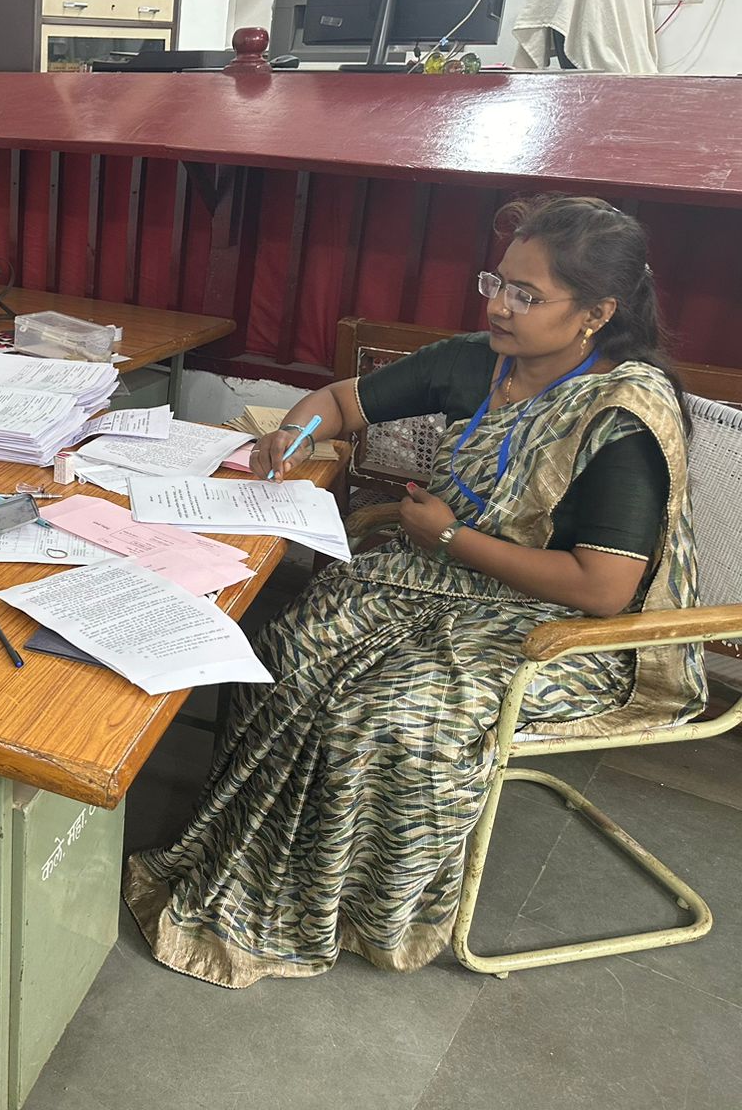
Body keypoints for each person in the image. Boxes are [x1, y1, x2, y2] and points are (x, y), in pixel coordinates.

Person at [125, 194, 707, 987]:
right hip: (430, 574)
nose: (498, 305)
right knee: (291, 646)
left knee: (385, 714)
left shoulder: (620, 415)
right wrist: (293, 434)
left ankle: (364, 909)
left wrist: (450, 538)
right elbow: (340, 402)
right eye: (496, 283)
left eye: (527, 294)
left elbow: (603, 589)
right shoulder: (478, 361)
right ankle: (240, 854)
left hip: (554, 626)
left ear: (596, 313)